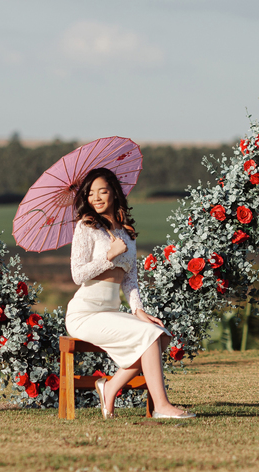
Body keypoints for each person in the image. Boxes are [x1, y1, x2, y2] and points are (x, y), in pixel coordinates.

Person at [65, 167, 195, 419]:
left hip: (110, 311)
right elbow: (77, 275)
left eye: (102, 191)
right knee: (149, 336)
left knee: (161, 335)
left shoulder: (127, 232)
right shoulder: (86, 226)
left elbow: (130, 281)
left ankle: (110, 386)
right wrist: (108, 256)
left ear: (114, 193)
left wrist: (138, 311)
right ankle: (162, 406)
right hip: (85, 313)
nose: (97, 198)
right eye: (91, 193)